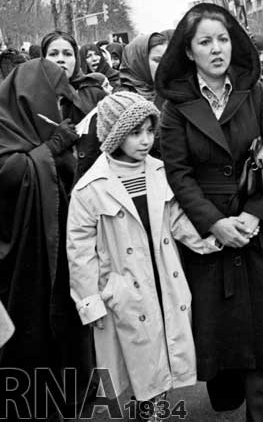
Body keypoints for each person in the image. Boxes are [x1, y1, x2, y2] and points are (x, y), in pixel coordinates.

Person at [155, 3, 263, 421]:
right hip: (213, 236)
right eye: (205, 41)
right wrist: (215, 224)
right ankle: (229, 395)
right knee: (229, 335)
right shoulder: (175, 107)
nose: (216, 49)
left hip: (261, 226)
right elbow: (179, 174)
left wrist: (255, 214)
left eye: (222, 39)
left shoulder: (252, 90)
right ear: (189, 51)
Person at [67, 91, 221, 420]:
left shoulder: (160, 172)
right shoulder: (90, 188)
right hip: (125, 289)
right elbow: (79, 251)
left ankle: (156, 411)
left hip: (164, 277)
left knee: (164, 353)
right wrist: (89, 300)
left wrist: (206, 241)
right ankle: (148, 412)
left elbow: (176, 219)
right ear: (115, 135)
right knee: (141, 361)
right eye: (136, 133)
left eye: (150, 131)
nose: (146, 140)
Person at [0, 59, 96, 419]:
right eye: (54, 101)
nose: (58, 111)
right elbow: (9, 174)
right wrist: (49, 152)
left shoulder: (37, 134)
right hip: (19, 262)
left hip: (56, 252)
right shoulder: (4, 126)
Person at [41, 30, 107, 124]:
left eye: (67, 54)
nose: (60, 60)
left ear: (76, 59)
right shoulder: (31, 97)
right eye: (53, 54)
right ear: (43, 59)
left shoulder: (95, 96)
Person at [119, 32, 167, 106]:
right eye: (158, 60)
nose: (165, 65)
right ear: (138, 62)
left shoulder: (170, 94)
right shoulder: (120, 101)